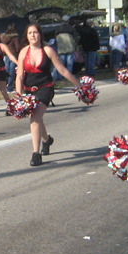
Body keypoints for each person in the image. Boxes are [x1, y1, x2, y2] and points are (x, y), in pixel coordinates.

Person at [15, 23, 80, 167]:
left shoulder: (48, 50)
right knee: (38, 119)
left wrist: (78, 85)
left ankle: (36, 154)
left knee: (35, 118)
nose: (33, 35)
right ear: (27, 36)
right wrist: (19, 96)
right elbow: (19, 76)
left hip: (45, 88)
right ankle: (47, 140)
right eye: (30, 33)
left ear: (40, 34)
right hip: (29, 90)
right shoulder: (23, 52)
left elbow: (62, 70)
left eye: (36, 32)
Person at [1, 24, 20, 91]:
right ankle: (10, 87)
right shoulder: (15, 37)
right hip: (13, 54)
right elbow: (17, 47)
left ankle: (3, 86)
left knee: (6, 70)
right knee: (12, 71)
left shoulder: (4, 37)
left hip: (6, 55)